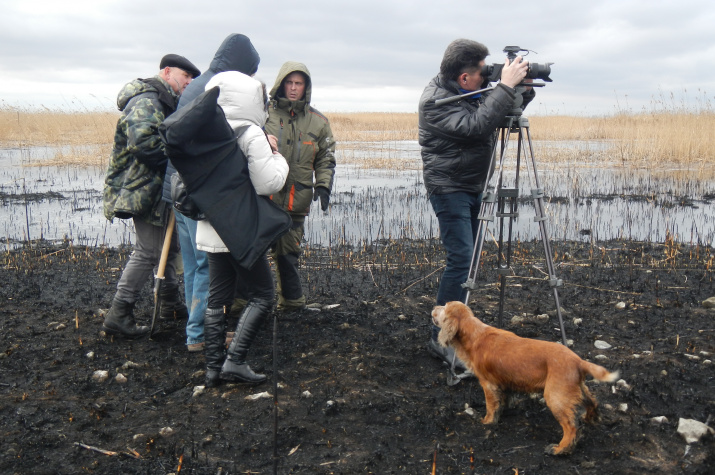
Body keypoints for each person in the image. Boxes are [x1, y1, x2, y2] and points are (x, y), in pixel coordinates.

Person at [418, 39, 534, 369]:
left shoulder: (468, 90)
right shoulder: (436, 101)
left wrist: (520, 89)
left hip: (474, 185)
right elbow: (476, 125)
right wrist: (505, 86)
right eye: (483, 74)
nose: (487, 78)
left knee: (468, 261)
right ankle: (439, 335)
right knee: (461, 257)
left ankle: (457, 325)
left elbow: (499, 114)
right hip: (449, 186)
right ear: (465, 78)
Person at [161, 34, 261, 352]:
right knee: (207, 263)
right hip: (196, 192)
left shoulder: (196, 85)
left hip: (178, 189)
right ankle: (199, 335)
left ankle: (196, 329)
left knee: (192, 264)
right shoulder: (214, 90)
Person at [191, 72, 289, 386]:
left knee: (217, 297)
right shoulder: (250, 132)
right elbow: (269, 182)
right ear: (251, 99)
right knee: (264, 295)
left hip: (209, 226)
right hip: (240, 230)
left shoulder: (207, 131)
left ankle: (212, 369)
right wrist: (277, 155)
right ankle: (234, 360)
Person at [102, 53, 200, 338]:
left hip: (157, 188)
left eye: (193, 78)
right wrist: (182, 156)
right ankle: (118, 313)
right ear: (167, 72)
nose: (189, 82)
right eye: (186, 76)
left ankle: (170, 304)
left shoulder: (166, 101)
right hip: (142, 189)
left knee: (167, 249)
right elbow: (145, 145)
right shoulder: (147, 100)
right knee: (149, 251)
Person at [262, 61, 336, 312]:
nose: (293, 88)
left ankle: (292, 303)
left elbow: (326, 157)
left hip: (296, 201)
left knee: (288, 254)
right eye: (289, 82)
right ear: (281, 84)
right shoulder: (263, 115)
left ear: (306, 87)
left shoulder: (318, 122)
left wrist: (324, 185)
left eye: (299, 83)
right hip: (263, 199)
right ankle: (244, 304)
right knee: (251, 254)